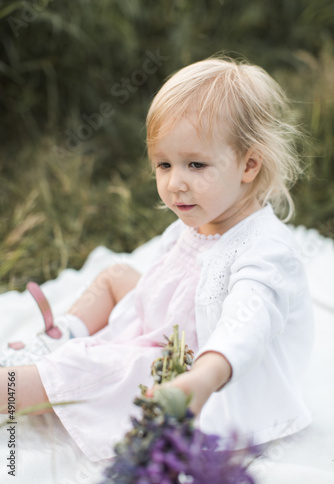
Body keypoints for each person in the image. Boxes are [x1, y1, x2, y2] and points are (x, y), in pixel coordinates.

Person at [0, 56, 313, 462]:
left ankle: (14, 386)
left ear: (248, 165)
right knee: (114, 274)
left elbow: (244, 329)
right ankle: (58, 337)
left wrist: (201, 380)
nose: (173, 183)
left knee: (99, 369)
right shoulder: (206, 215)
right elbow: (166, 273)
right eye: (163, 164)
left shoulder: (267, 252)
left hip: (193, 364)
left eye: (195, 165)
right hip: (173, 321)